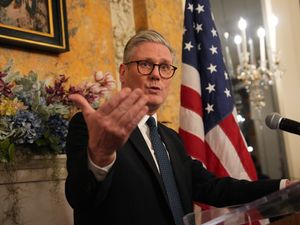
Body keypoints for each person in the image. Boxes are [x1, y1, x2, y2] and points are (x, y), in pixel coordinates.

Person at [65, 30, 288, 225]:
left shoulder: (171, 139)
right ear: (123, 72)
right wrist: (100, 157)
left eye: (164, 67)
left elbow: (214, 188)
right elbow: (79, 198)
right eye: (145, 64)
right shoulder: (91, 127)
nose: (156, 74)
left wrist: (284, 186)